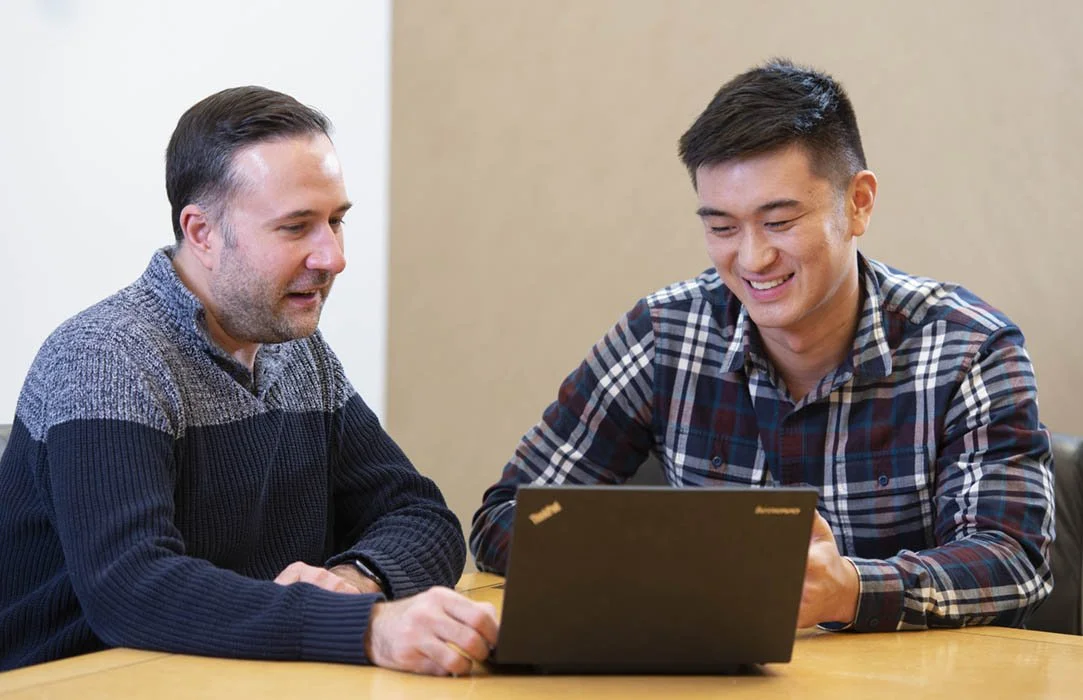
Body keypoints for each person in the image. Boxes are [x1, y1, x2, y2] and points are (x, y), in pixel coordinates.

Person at [470, 59, 1054, 631]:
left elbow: (1013, 562)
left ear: (859, 203)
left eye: (779, 221)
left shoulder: (969, 347)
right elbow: (506, 519)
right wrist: (662, 562)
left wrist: (851, 590)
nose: (751, 259)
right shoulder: (667, 332)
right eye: (721, 227)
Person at [0, 86, 496, 675]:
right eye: (296, 227)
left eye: (336, 222)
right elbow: (132, 589)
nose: (333, 256)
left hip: (232, 676)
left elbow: (422, 516)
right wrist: (365, 629)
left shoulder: (300, 357)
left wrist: (354, 580)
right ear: (202, 232)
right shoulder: (107, 357)